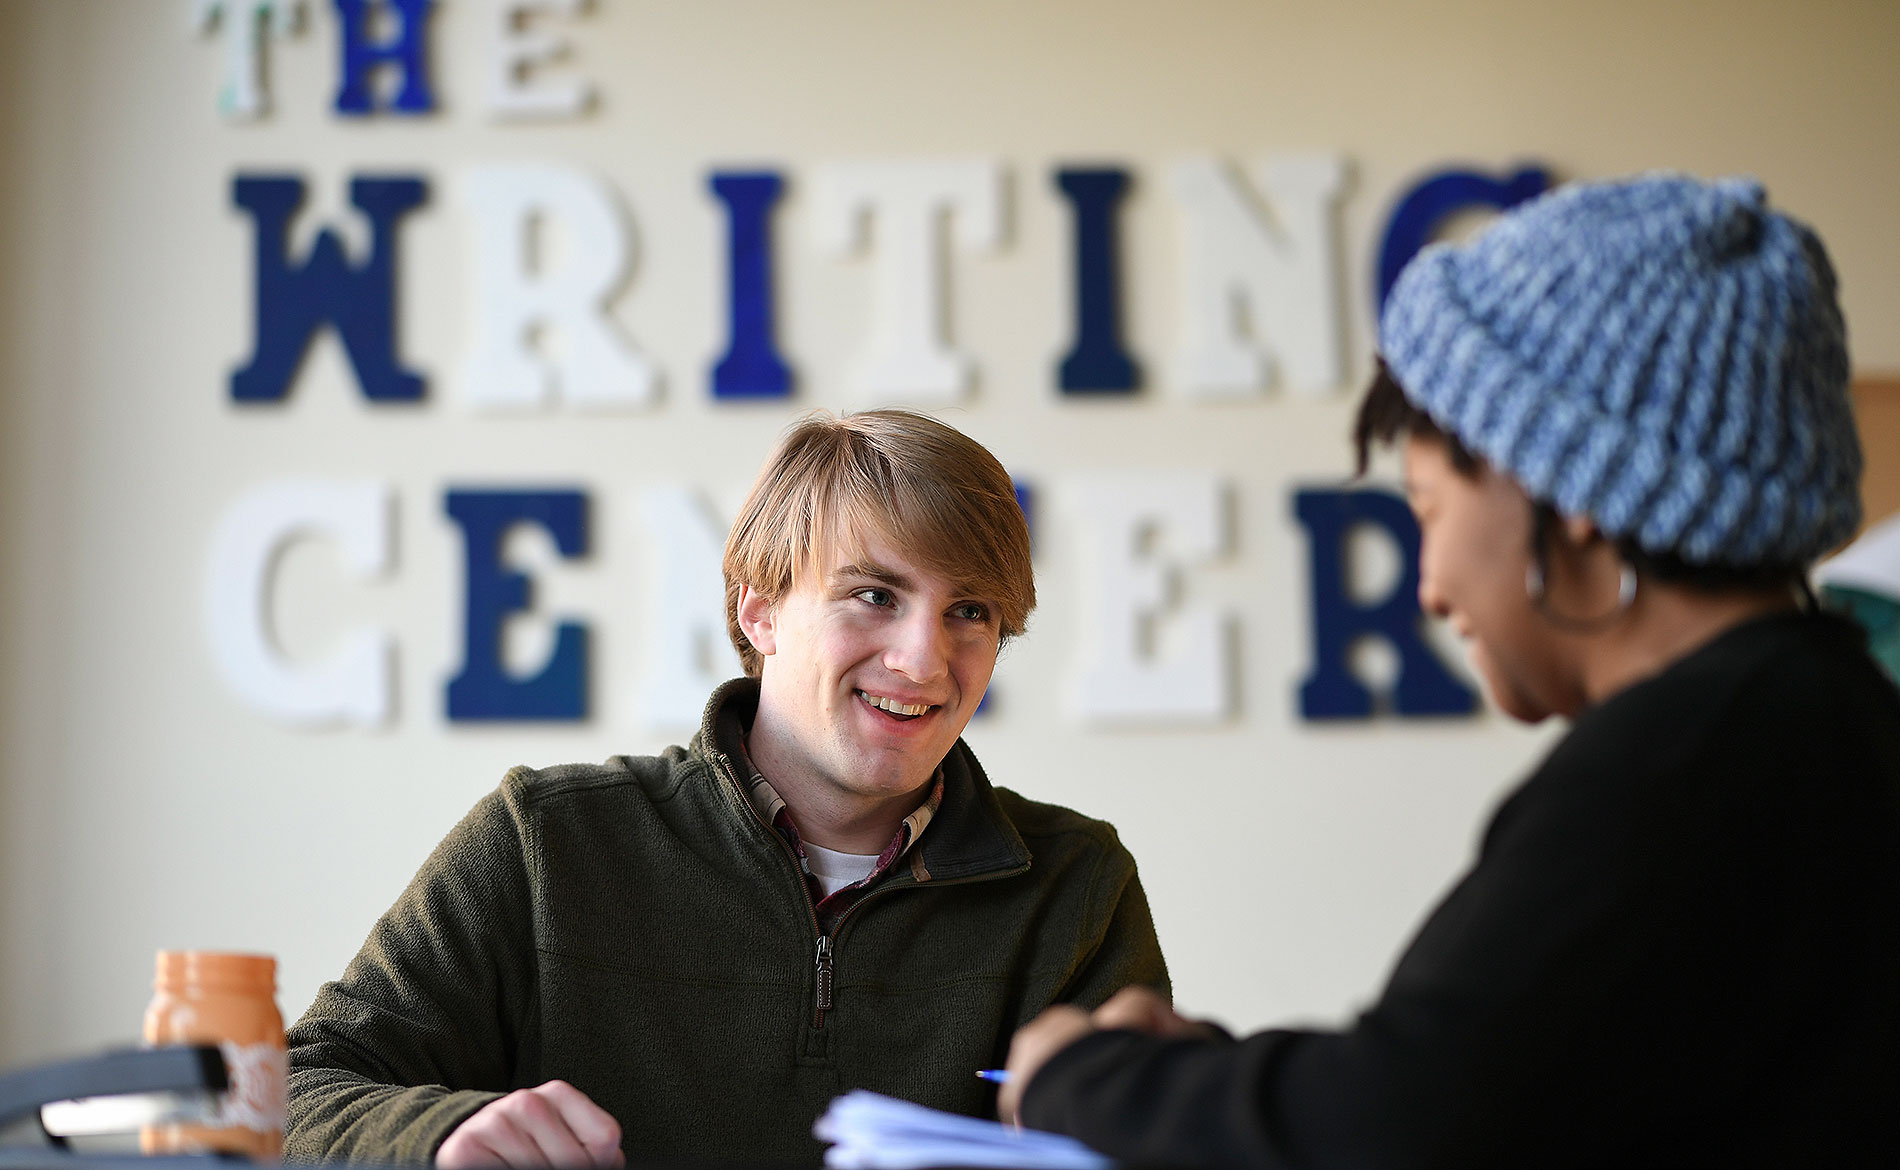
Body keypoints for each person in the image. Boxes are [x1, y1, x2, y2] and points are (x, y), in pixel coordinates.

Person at [999, 174, 1900, 1165]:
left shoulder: (1678, 763)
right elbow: (1507, 1085)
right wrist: (1214, 1075)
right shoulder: (1829, 718)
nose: (1427, 589)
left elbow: (1403, 1130)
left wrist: (1081, 1079)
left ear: (1568, 485)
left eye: (1428, 509)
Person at [285, 410, 1169, 1166]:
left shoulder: (1075, 884)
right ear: (760, 611)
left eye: (969, 613)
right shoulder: (547, 840)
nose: (923, 660)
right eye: (873, 595)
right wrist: (441, 1133)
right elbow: (296, 1089)